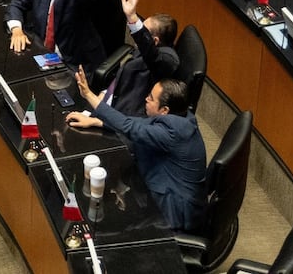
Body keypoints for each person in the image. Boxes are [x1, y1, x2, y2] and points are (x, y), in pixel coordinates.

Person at [66, 68, 207, 232]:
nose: (146, 99)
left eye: (151, 98)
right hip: (163, 192)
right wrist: (97, 122)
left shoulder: (174, 132)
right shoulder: (182, 118)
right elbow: (140, 123)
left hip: (173, 212)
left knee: (108, 228)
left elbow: (131, 127)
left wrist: (89, 95)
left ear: (164, 110)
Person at [103, 0, 179, 118]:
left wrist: (132, 18)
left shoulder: (167, 60)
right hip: (113, 101)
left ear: (154, 41)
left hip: (126, 118)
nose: (137, 35)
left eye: (144, 31)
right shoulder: (144, 51)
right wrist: (104, 96)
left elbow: (152, 56)